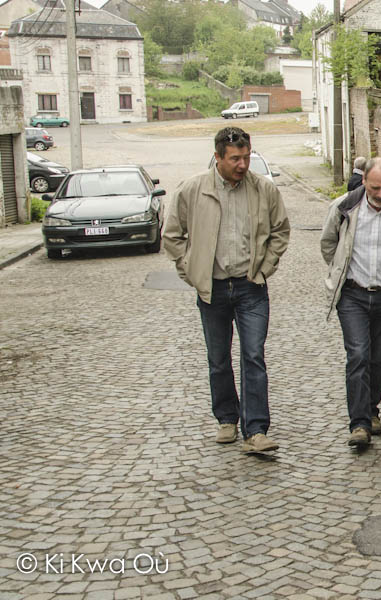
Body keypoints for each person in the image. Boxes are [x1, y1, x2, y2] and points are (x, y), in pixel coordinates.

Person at [162, 126, 290, 454]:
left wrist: (265, 267)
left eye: (246, 157)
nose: (243, 165)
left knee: (253, 355)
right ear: (218, 157)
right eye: (235, 159)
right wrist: (190, 270)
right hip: (212, 288)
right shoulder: (193, 190)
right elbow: (172, 235)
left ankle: (256, 430)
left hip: (251, 287)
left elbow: (280, 230)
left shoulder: (263, 189)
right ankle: (226, 418)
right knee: (218, 359)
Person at [320, 157, 381, 449]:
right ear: (363, 181)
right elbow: (328, 244)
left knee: (377, 357)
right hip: (352, 294)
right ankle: (359, 424)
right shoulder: (343, 208)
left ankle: (373, 410)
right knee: (358, 355)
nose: (379, 194)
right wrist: (340, 269)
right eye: (374, 187)